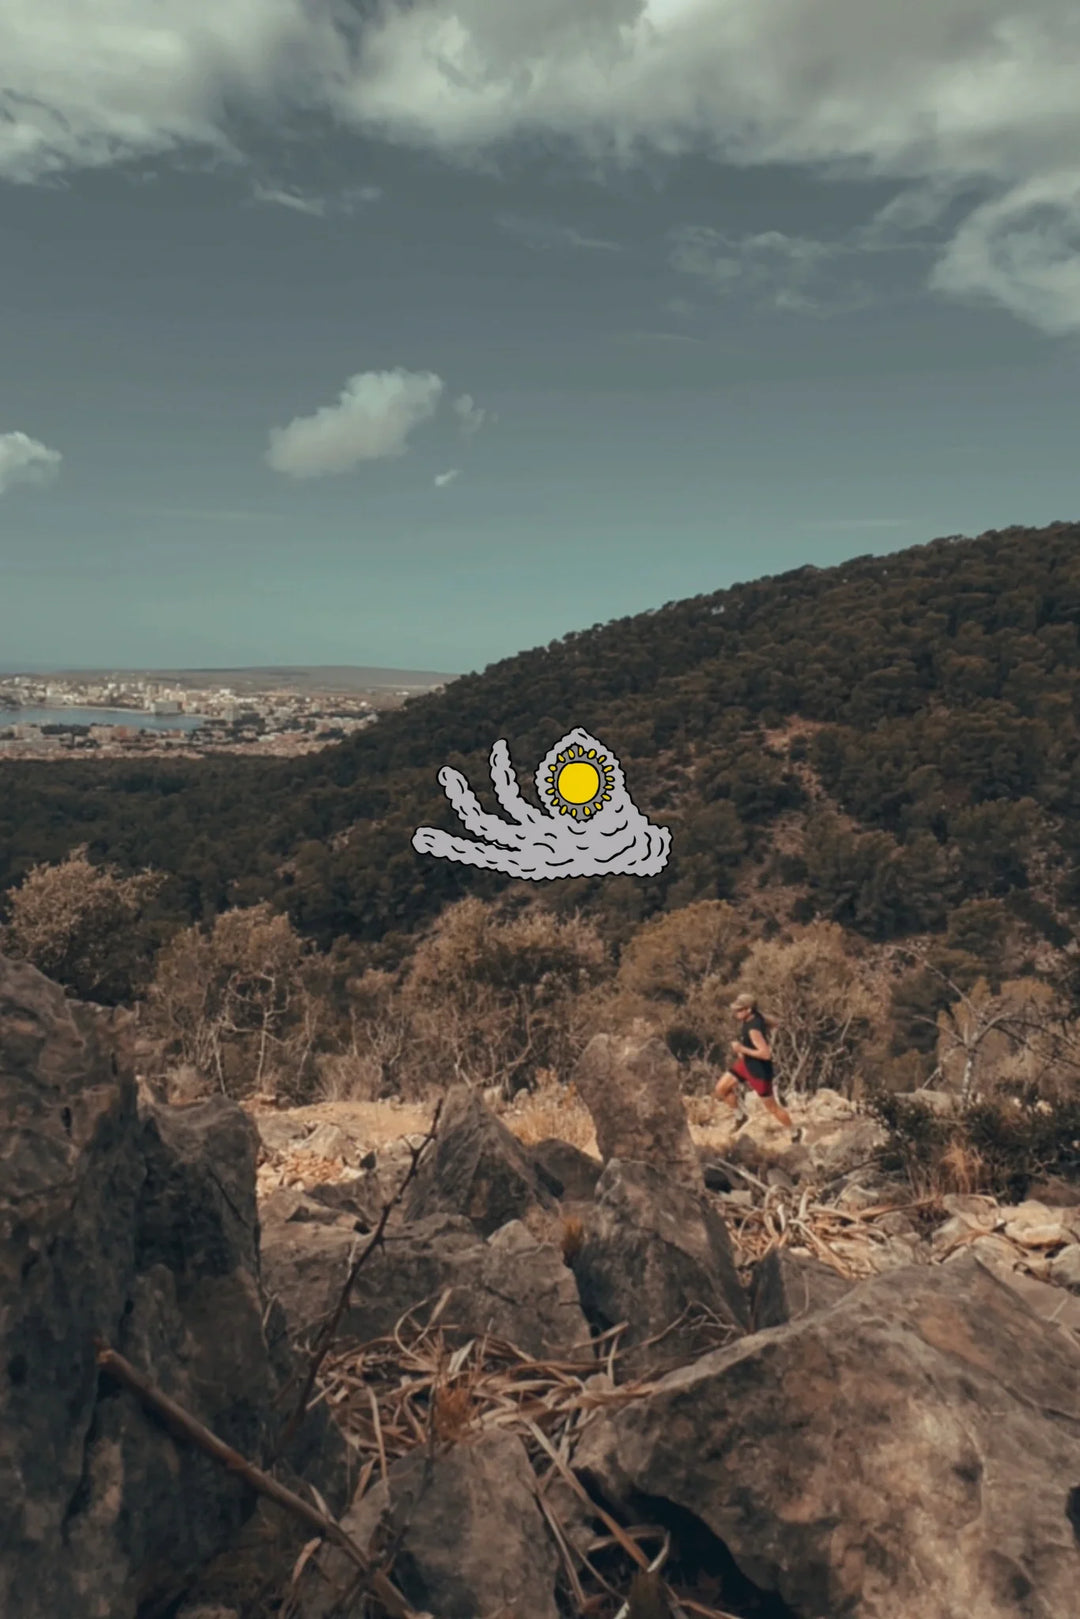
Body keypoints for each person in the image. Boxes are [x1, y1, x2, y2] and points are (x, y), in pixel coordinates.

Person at [714, 992, 797, 1135]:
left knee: (773, 1108)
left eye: (739, 1010)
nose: (736, 1012)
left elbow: (765, 1054)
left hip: (759, 1071)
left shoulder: (753, 1029)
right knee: (721, 1088)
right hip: (746, 1064)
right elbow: (776, 1022)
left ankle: (794, 1132)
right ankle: (741, 1116)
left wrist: (741, 1048)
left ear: (748, 1010)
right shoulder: (757, 1017)